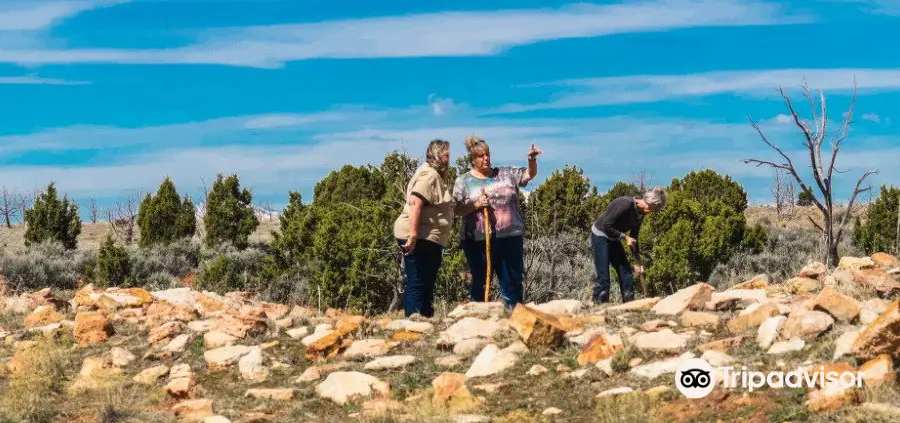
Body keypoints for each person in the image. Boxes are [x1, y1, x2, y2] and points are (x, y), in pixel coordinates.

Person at [453, 135, 541, 309]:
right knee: (481, 281)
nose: (486, 158)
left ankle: (514, 318)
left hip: (510, 236)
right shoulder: (463, 181)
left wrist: (531, 159)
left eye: (487, 154)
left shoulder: (506, 174)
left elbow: (529, 174)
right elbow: (455, 209)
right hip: (478, 239)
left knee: (512, 283)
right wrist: (476, 205)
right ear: (472, 160)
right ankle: (477, 321)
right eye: (480, 156)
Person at [393, 139, 454, 318]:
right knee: (418, 282)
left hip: (429, 237)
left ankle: (424, 321)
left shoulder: (434, 175)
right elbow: (416, 201)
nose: (448, 159)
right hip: (419, 236)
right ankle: (413, 324)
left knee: (426, 282)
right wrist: (413, 235)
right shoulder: (430, 175)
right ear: (437, 155)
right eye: (446, 155)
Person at [590, 186, 668, 304]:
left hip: (613, 238)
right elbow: (607, 225)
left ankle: (629, 306)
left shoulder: (641, 213)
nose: (650, 212)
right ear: (647, 201)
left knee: (626, 273)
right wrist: (624, 237)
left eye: (653, 210)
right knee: (604, 278)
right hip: (600, 234)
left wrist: (638, 262)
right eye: (651, 208)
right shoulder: (625, 204)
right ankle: (598, 308)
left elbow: (634, 237)